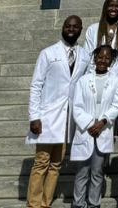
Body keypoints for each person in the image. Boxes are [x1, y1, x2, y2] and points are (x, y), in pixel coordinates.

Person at [26, 16, 87, 208]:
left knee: (56, 164)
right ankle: (34, 204)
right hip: (46, 117)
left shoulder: (84, 55)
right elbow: (36, 85)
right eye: (67, 26)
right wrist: (34, 116)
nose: (71, 29)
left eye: (75, 27)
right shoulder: (47, 53)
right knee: (41, 162)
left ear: (80, 30)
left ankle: (45, 203)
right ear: (62, 27)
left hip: (67, 119)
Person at [70, 45, 118, 208]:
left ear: (111, 60)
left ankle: (93, 204)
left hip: (103, 131)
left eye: (107, 58)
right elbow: (77, 106)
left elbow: (116, 105)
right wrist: (90, 123)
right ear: (95, 57)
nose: (103, 60)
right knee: (82, 172)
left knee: (97, 172)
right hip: (86, 131)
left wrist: (102, 122)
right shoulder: (84, 80)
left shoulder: (115, 80)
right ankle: (78, 204)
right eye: (100, 57)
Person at [84, 0, 118, 74]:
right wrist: (94, 74)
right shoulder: (93, 29)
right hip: (92, 75)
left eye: (117, 6)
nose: (113, 9)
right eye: (110, 5)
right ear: (105, 8)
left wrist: (110, 77)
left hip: (115, 78)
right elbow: (88, 55)